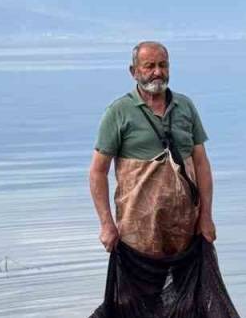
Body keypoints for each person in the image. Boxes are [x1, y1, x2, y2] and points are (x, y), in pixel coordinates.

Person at [89, 41, 216, 257]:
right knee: (140, 291)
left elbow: (201, 164)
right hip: (137, 232)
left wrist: (206, 217)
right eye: (149, 66)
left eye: (163, 65)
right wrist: (106, 224)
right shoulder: (119, 112)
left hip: (186, 228)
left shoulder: (185, 107)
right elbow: (97, 172)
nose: (158, 72)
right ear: (134, 71)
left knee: (193, 290)